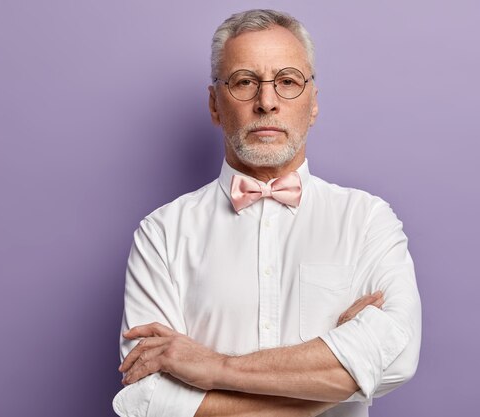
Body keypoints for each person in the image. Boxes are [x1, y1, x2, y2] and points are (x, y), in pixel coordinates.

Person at [112, 9, 421, 417]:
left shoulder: (367, 220)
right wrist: (338, 376)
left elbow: (397, 357)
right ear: (214, 104)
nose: (267, 102)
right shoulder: (162, 233)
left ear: (313, 103)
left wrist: (214, 368)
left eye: (288, 82)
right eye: (244, 82)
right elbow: (147, 401)